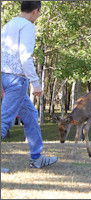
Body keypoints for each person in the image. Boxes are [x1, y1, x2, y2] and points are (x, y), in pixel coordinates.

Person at [1, 1, 58, 173]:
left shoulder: (8, 25)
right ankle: (37, 157)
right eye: (39, 13)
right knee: (4, 120)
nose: (38, 16)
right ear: (35, 11)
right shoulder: (27, 26)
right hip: (17, 80)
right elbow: (25, 57)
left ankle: (37, 158)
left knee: (31, 115)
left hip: (6, 77)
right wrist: (35, 82)